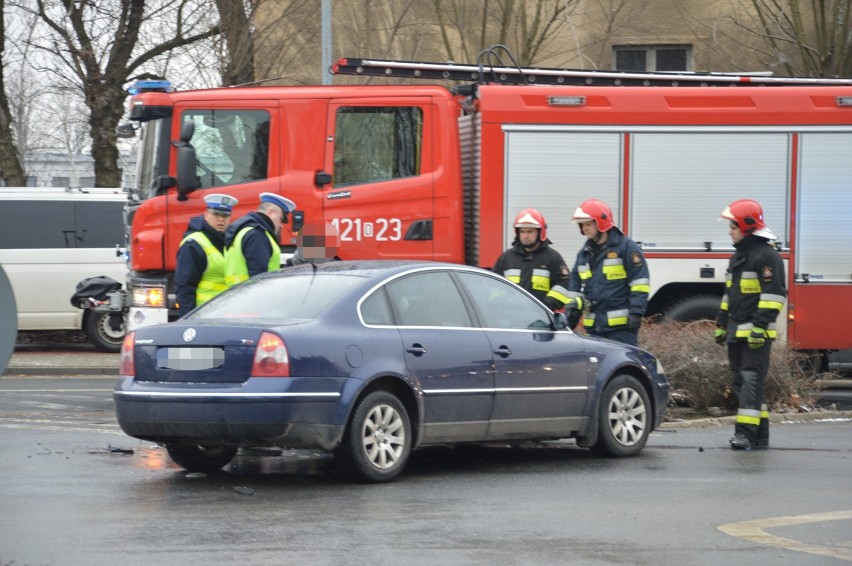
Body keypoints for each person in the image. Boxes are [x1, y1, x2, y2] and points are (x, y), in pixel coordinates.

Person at [714, 199, 786, 450]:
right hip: (736, 331)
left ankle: (744, 433)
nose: (729, 231)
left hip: (756, 334)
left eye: (733, 226)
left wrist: (759, 326)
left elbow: (774, 295)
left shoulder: (767, 257)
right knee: (742, 382)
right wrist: (721, 323)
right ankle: (760, 435)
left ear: (746, 226)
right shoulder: (739, 257)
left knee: (749, 381)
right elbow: (729, 294)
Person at [565, 199, 649, 346]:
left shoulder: (626, 248)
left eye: (588, 224)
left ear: (601, 223)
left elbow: (640, 282)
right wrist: (571, 313)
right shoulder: (584, 254)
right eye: (582, 225)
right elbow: (575, 286)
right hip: (594, 328)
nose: (584, 229)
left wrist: (636, 312)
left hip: (621, 330)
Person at [492, 208, 572, 311]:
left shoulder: (552, 258)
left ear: (540, 232)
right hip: (510, 317)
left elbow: (565, 283)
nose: (525, 236)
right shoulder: (507, 258)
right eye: (522, 231)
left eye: (530, 231)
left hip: (540, 319)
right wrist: (500, 305)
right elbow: (494, 285)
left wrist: (547, 305)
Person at [175, 193, 238, 316]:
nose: (221, 219)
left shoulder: (230, 241)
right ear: (206, 215)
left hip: (226, 314)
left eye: (225, 215)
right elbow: (185, 287)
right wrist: (188, 320)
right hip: (202, 315)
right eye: (216, 214)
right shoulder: (194, 244)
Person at [224, 192, 296, 287]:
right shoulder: (257, 235)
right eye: (280, 219)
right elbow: (258, 277)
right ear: (271, 212)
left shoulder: (245, 229)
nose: (281, 225)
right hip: (250, 296)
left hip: (236, 294)